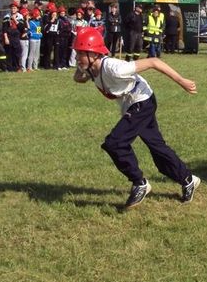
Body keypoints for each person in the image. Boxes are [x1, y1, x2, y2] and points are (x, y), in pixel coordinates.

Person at [72, 26, 200, 209]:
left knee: (114, 143)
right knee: (158, 149)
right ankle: (189, 180)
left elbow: (154, 62)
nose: (77, 58)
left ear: (93, 54)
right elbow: (80, 78)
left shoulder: (115, 68)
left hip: (142, 101)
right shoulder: (93, 68)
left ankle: (139, 183)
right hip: (132, 104)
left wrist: (183, 81)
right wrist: (81, 71)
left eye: (80, 54)